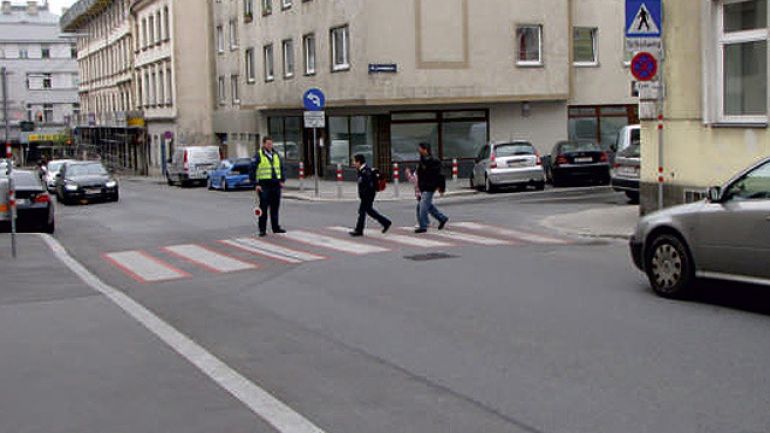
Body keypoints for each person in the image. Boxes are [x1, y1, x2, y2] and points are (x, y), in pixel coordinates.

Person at [251, 136, 286, 237]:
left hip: (276, 185)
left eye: (271, 143)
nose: (270, 145)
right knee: (263, 208)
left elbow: (281, 168)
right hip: (264, 185)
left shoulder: (276, 154)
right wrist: (256, 184)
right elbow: (252, 170)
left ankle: (276, 227)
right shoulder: (258, 155)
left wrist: (282, 180)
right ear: (264, 144)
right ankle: (262, 229)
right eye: (268, 144)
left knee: (275, 208)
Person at [349, 154, 391, 237]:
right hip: (366, 195)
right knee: (369, 211)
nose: (353, 163)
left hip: (367, 195)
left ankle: (359, 230)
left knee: (362, 212)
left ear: (359, 162)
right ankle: (386, 222)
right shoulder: (362, 170)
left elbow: (369, 185)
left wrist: (365, 195)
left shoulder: (365, 171)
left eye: (354, 161)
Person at [415, 142, 448, 233]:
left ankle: (423, 225)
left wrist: (441, 188)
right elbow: (420, 174)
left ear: (425, 149)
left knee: (422, 206)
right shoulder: (422, 160)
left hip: (430, 186)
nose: (418, 150)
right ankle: (442, 218)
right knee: (426, 205)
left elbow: (440, 175)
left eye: (420, 148)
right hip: (423, 186)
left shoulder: (434, 161)